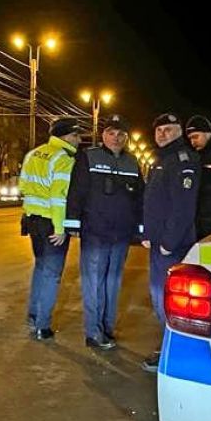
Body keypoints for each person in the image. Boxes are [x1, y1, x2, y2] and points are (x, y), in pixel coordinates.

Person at [64, 114, 143, 350]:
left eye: (120, 134)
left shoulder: (132, 162)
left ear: (126, 138)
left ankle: (107, 329)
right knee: (93, 282)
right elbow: (76, 191)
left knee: (113, 282)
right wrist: (72, 223)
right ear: (103, 135)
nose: (115, 138)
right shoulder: (88, 157)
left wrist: (140, 228)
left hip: (121, 233)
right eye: (111, 133)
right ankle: (94, 332)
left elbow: (140, 198)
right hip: (95, 232)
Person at [140, 112, 200, 372]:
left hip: (172, 246)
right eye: (159, 130)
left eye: (168, 129)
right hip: (158, 243)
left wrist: (168, 242)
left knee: (169, 300)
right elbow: (152, 201)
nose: (162, 134)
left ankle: (174, 351)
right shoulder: (161, 159)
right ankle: (169, 345)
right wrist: (146, 234)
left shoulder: (183, 160)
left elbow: (183, 207)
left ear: (179, 132)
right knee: (159, 298)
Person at [19, 118, 82, 340]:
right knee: (52, 274)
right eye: (76, 136)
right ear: (65, 136)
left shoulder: (33, 154)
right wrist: (60, 228)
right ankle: (43, 326)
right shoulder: (63, 159)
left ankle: (33, 315)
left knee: (40, 268)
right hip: (51, 222)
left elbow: (23, 186)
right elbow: (59, 197)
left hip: (32, 219)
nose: (79, 140)